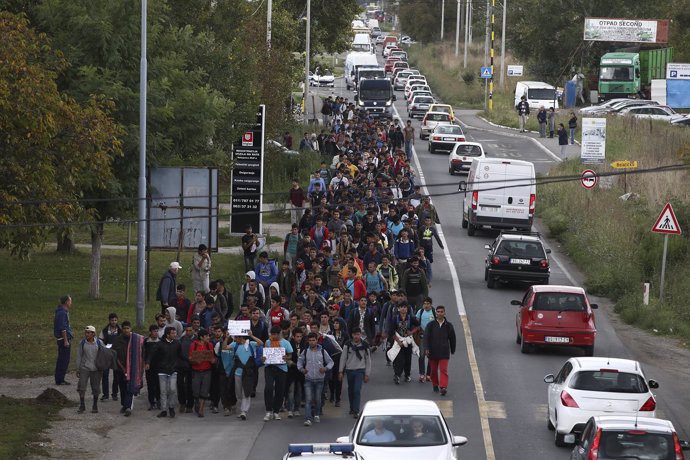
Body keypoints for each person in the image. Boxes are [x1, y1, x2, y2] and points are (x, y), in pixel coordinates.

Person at [298, 332, 334, 426]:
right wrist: (302, 369)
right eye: (310, 340)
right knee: (308, 399)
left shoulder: (322, 351)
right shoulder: (305, 351)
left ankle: (317, 414)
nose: (311, 342)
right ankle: (308, 418)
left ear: (317, 341)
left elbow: (330, 362)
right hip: (308, 379)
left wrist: (325, 368)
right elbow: (299, 362)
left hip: (319, 380)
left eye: (313, 340)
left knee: (318, 399)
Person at [147, 326, 184, 418]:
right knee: (163, 391)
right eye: (173, 333)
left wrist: (183, 363)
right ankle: (164, 410)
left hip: (173, 370)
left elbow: (180, 355)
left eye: (175, 333)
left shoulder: (177, 343)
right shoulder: (160, 344)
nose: (175, 335)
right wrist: (147, 362)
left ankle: (171, 407)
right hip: (162, 371)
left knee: (172, 389)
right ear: (167, 335)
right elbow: (151, 354)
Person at [112, 321, 145, 416]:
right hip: (120, 368)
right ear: (122, 329)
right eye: (124, 328)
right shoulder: (118, 340)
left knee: (129, 387)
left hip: (133, 368)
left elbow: (142, 352)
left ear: (130, 329)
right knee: (122, 387)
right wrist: (122, 367)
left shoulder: (136, 339)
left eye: (128, 328)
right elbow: (115, 355)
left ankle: (128, 407)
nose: (126, 330)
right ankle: (124, 404)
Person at [262, 325, 294, 421]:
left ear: (280, 333)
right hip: (270, 367)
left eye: (276, 334)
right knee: (268, 388)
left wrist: (286, 357)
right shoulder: (268, 342)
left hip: (281, 368)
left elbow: (290, 355)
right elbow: (265, 354)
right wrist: (263, 358)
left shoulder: (286, 343)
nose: (274, 336)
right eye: (273, 334)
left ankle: (276, 411)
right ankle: (268, 411)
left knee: (280, 390)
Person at [423, 305, 456, 395]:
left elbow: (452, 338)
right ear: (436, 313)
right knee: (433, 371)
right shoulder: (430, 325)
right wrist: (426, 348)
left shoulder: (448, 326)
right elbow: (426, 337)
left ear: (444, 313)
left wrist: (452, 349)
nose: (440, 313)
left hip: (444, 352)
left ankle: (443, 387)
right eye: (438, 312)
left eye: (442, 312)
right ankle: (435, 384)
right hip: (432, 352)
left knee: (443, 370)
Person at [339, 327, 371, 418]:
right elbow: (343, 358)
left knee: (357, 390)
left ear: (360, 335)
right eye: (354, 334)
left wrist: (367, 374)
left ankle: (356, 410)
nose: (356, 336)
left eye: (358, 334)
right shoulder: (348, 344)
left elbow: (368, 360)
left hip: (360, 370)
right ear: (352, 335)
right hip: (349, 370)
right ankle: (352, 407)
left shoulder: (365, 345)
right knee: (351, 390)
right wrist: (340, 371)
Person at [387, 303, 419, 384]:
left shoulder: (411, 318)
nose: (403, 309)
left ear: (407, 309)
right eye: (401, 307)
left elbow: (418, 326)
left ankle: (407, 375)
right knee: (399, 359)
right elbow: (391, 332)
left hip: (408, 341)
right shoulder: (395, 318)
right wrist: (398, 341)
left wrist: (411, 332)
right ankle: (397, 375)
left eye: (405, 307)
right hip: (399, 341)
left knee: (408, 359)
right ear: (398, 309)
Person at [75, 325, 103, 413]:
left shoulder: (99, 343)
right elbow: (79, 355)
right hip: (84, 368)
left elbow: (105, 353)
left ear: (93, 334)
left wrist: (103, 366)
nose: (86, 334)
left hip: (96, 368)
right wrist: (78, 368)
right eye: (86, 333)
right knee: (81, 387)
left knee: (96, 388)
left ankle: (95, 405)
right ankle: (82, 405)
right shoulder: (82, 343)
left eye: (88, 333)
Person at [189, 328, 216, 417]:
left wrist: (213, 360)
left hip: (207, 371)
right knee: (196, 391)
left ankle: (201, 410)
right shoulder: (193, 345)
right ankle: (197, 401)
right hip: (196, 371)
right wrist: (196, 361)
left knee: (205, 390)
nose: (208, 337)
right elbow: (190, 359)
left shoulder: (210, 345)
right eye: (206, 336)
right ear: (201, 337)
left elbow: (213, 358)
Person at [99, 312, 121, 400]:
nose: (114, 322)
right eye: (112, 320)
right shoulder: (104, 330)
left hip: (116, 354)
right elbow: (100, 341)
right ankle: (105, 394)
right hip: (106, 354)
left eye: (115, 320)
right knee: (105, 374)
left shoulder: (120, 330)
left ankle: (114, 394)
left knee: (116, 375)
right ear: (109, 321)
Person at [53, 295, 73, 386]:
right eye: (70, 301)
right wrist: (66, 340)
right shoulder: (62, 313)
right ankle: (60, 379)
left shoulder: (63, 312)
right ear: (66, 302)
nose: (71, 303)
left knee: (63, 359)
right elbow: (63, 328)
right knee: (63, 359)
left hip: (64, 338)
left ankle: (60, 378)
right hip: (63, 339)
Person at [143, 324, 161, 411]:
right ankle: (151, 402)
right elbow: (144, 353)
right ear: (150, 332)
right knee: (150, 384)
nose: (156, 333)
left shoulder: (160, 341)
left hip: (158, 366)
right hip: (149, 366)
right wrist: (146, 362)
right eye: (154, 331)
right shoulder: (146, 342)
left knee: (158, 384)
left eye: (157, 331)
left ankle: (158, 400)